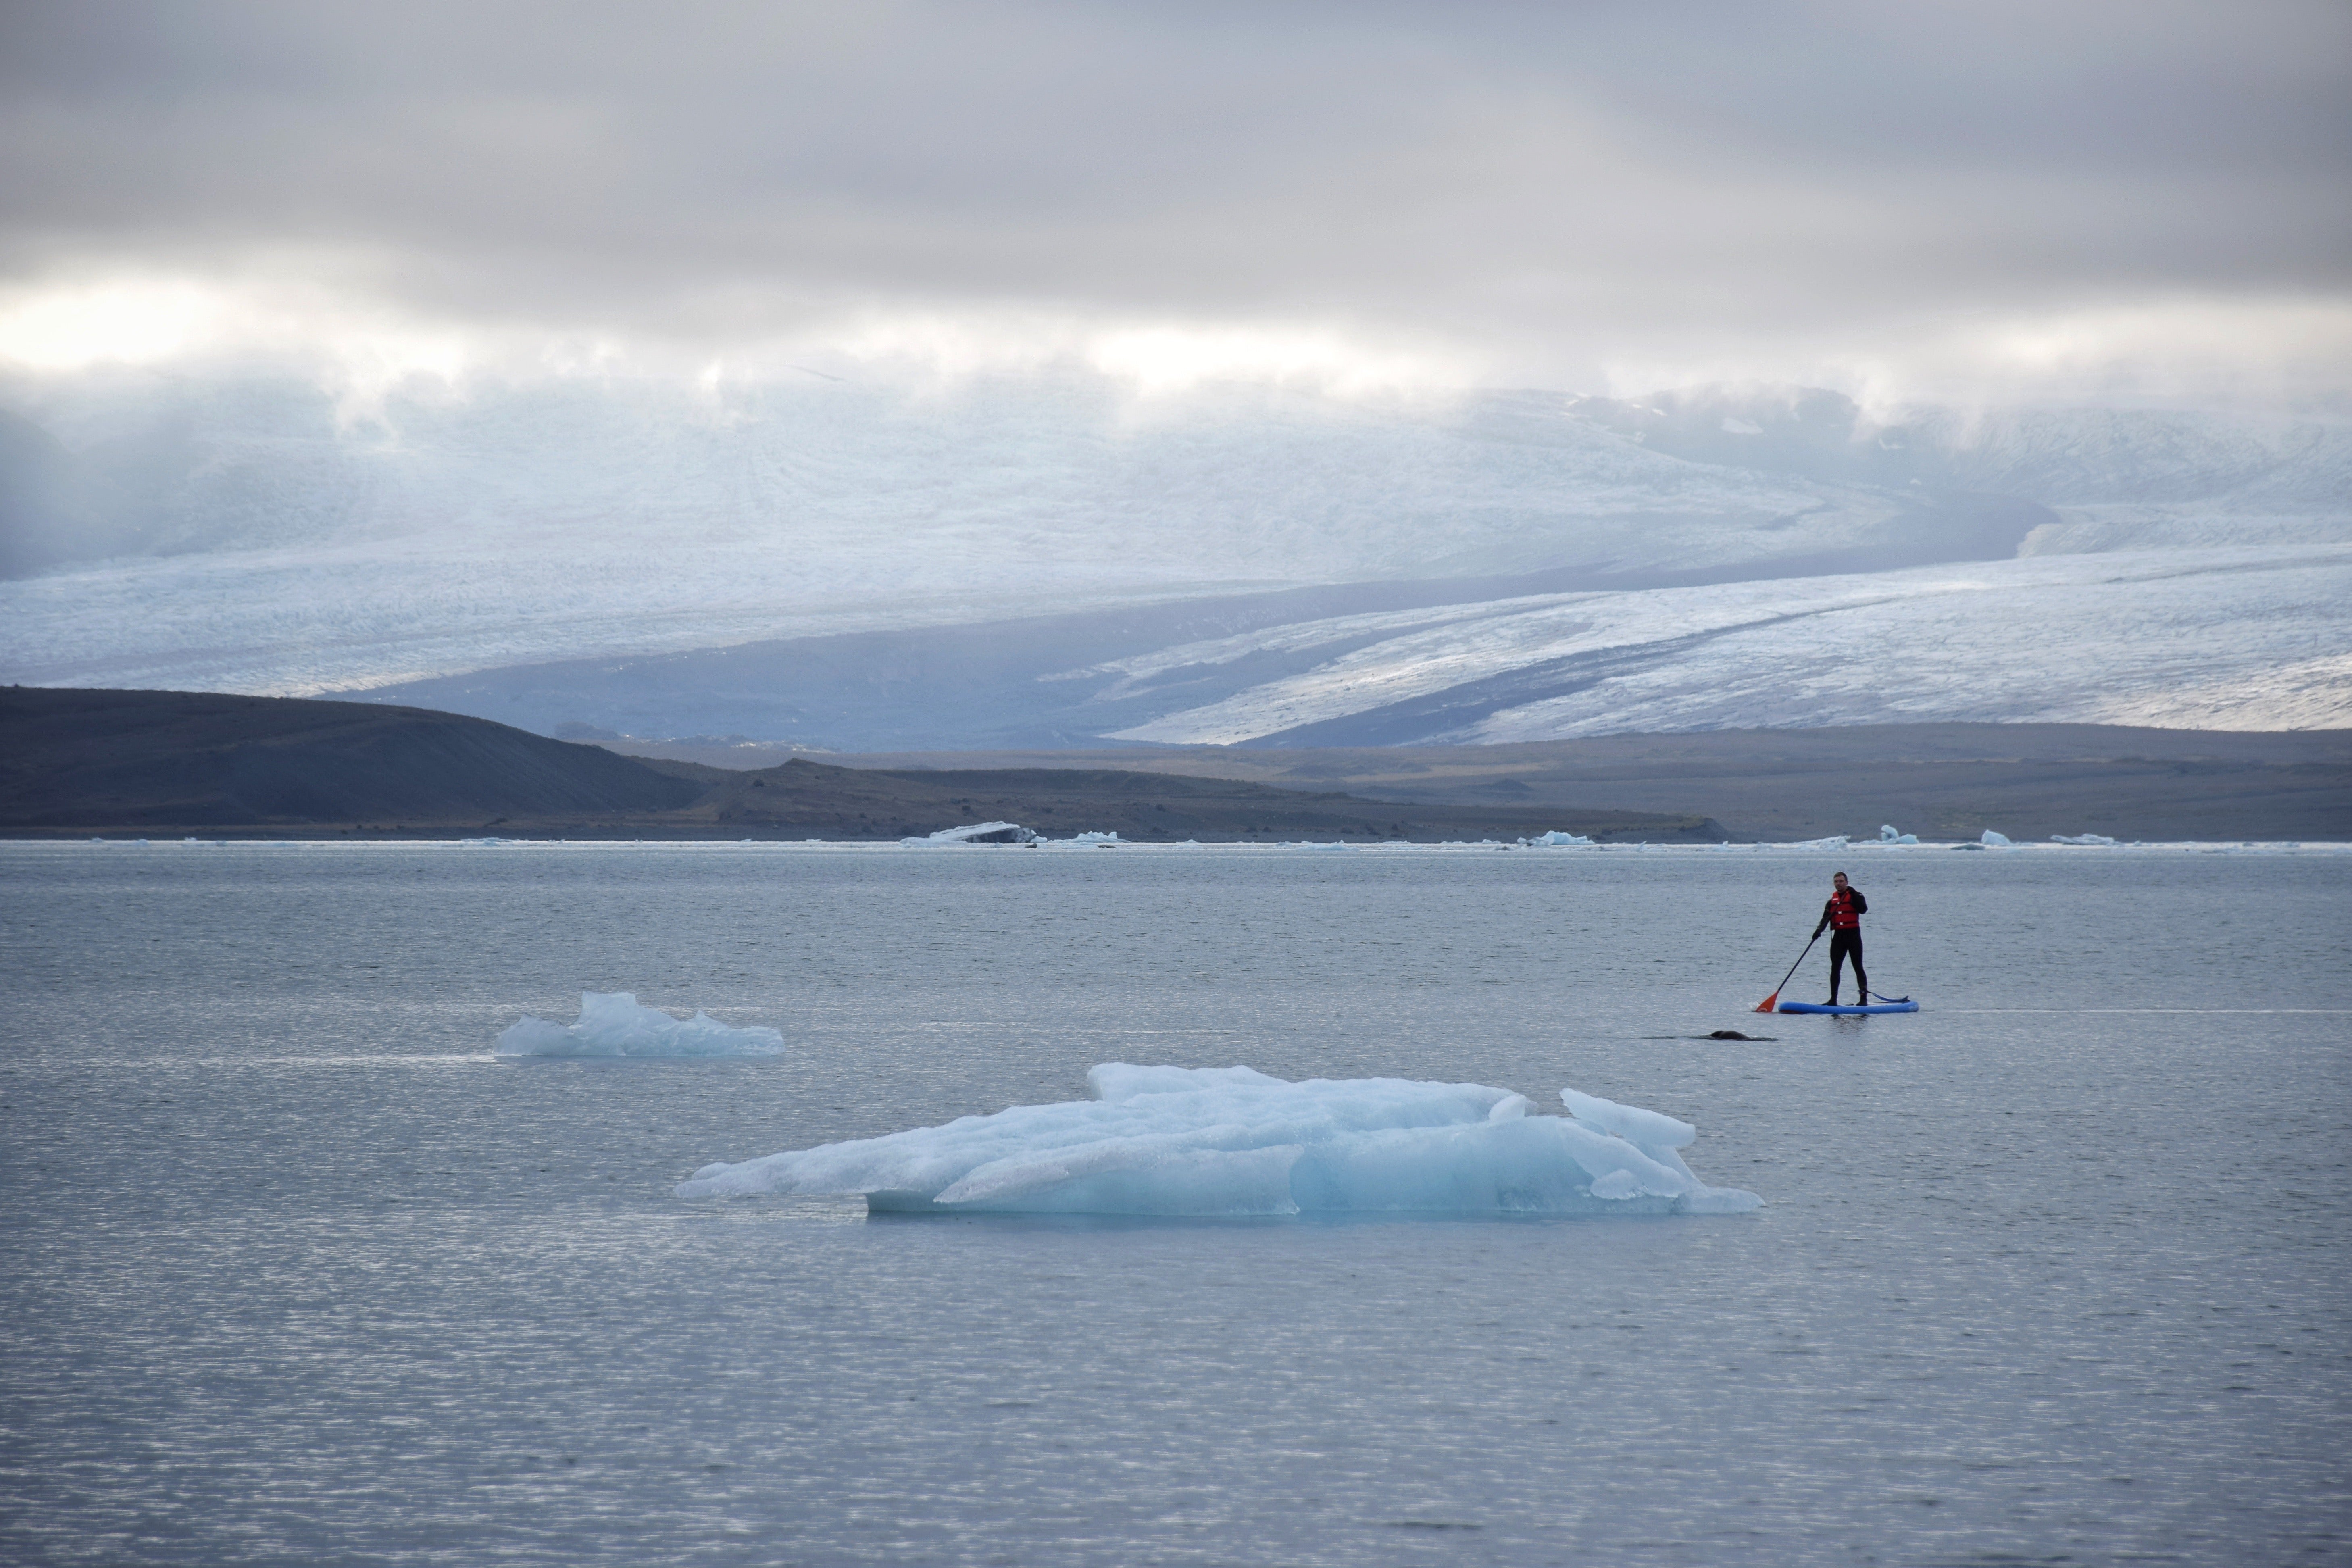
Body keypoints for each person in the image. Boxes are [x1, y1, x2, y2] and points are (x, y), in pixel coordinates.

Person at [1812, 871, 1869, 1005]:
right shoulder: (1832, 902)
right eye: (1836, 882)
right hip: (1839, 938)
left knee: (1858, 967)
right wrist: (1818, 932)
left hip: (1853, 936)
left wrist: (1854, 893)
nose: (1839, 884)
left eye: (1841, 881)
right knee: (1835, 968)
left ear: (1847, 883)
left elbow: (1863, 909)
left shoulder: (1856, 896)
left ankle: (1863, 1000)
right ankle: (1833, 1000)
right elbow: (1825, 919)